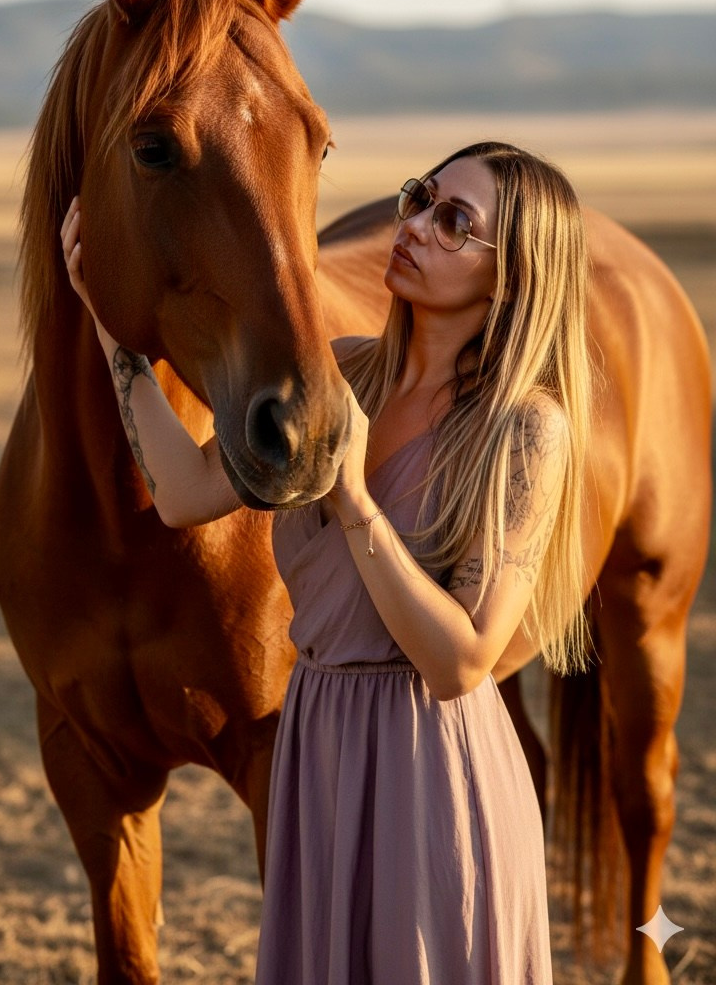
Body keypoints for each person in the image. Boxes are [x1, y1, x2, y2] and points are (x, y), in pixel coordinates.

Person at [60, 140, 593, 985]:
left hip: (432, 771)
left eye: (454, 222)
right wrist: (109, 329)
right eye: (420, 198)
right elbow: (184, 493)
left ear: (513, 275)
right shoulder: (339, 372)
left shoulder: (525, 430)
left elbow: (461, 662)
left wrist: (352, 500)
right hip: (318, 746)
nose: (414, 225)